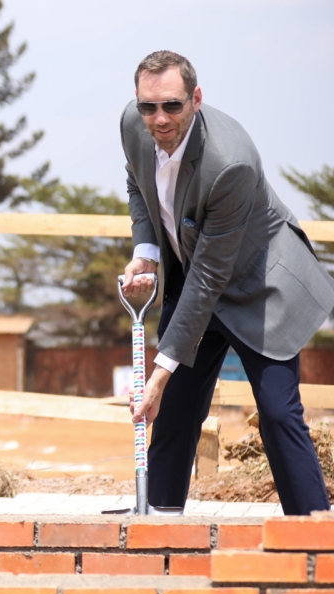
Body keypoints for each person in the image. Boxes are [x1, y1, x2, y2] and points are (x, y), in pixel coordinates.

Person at [121, 51, 334, 515]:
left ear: (196, 99)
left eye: (172, 106)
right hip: (199, 276)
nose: (158, 119)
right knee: (175, 410)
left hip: (259, 286)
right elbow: (138, 184)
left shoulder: (229, 161)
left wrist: (158, 371)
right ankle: (159, 527)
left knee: (278, 414)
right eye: (148, 106)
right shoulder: (132, 124)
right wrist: (148, 253)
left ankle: (314, 535)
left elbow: (211, 276)